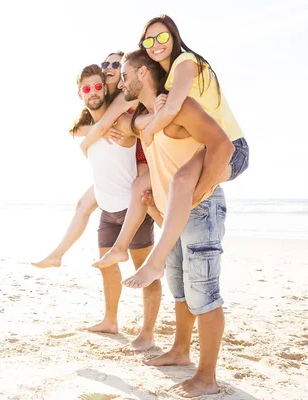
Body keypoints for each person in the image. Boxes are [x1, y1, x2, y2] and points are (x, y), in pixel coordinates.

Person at [93, 15, 249, 292]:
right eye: (149, 40)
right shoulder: (165, 80)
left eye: (162, 37)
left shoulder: (185, 62)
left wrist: (150, 129)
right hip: (206, 146)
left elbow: (174, 107)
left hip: (231, 147)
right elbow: (150, 110)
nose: (156, 44)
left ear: (175, 37)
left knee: (183, 183)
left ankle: (155, 261)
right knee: (143, 183)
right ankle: (120, 247)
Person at [117, 49, 234, 398]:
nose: (121, 81)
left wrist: (198, 193)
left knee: (205, 294)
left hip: (199, 208)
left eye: (125, 74)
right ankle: (181, 350)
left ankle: (207, 377)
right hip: (172, 213)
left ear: (142, 74)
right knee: (180, 289)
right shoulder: (148, 118)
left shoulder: (181, 107)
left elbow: (223, 146)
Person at [58, 63, 161, 352]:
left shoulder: (123, 123)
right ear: (80, 94)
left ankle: (147, 333)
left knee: (145, 272)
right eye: (87, 88)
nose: (93, 92)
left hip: (133, 210)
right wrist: (91, 135)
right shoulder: (86, 128)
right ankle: (110, 320)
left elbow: (138, 125)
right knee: (108, 269)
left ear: (106, 88)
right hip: (107, 211)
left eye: (97, 86)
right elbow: (76, 130)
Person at [32, 52, 150, 270]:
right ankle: (58, 254)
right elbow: (78, 129)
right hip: (118, 164)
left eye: (116, 64)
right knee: (82, 205)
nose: (109, 67)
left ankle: (155, 244)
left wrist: (86, 144)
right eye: (106, 63)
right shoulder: (101, 101)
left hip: (142, 152)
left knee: (141, 194)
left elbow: (112, 125)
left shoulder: (126, 93)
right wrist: (96, 132)